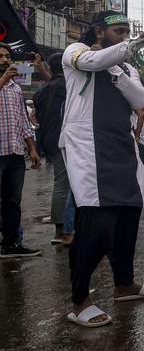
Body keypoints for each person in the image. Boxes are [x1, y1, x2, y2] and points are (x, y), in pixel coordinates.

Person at [61, 12, 144, 327]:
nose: (123, 36)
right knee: (98, 224)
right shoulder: (75, 53)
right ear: (99, 31)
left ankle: (124, 284)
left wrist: (120, 70)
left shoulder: (126, 65)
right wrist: (136, 43)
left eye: (126, 32)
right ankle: (80, 300)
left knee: (128, 218)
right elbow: (93, 63)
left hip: (122, 149)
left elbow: (141, 98)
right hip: (88, 151)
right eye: (117, 31)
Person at [0, 43, 42, 258]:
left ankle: (11, 244)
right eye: (1, 56)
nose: (5, 60)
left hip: (15, 152)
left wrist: (32, 148)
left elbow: (23, 122)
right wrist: (3, 79)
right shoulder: (6, 82)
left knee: (13, 201)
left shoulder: (16, 88)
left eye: (8, 56)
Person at [33, 51, 69, 243]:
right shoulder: (68, 87)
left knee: (64, 183)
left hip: (48, 140)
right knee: (63, 184)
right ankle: (61, 230)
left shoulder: (41, 91)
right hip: (64, 141)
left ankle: (67, 225)